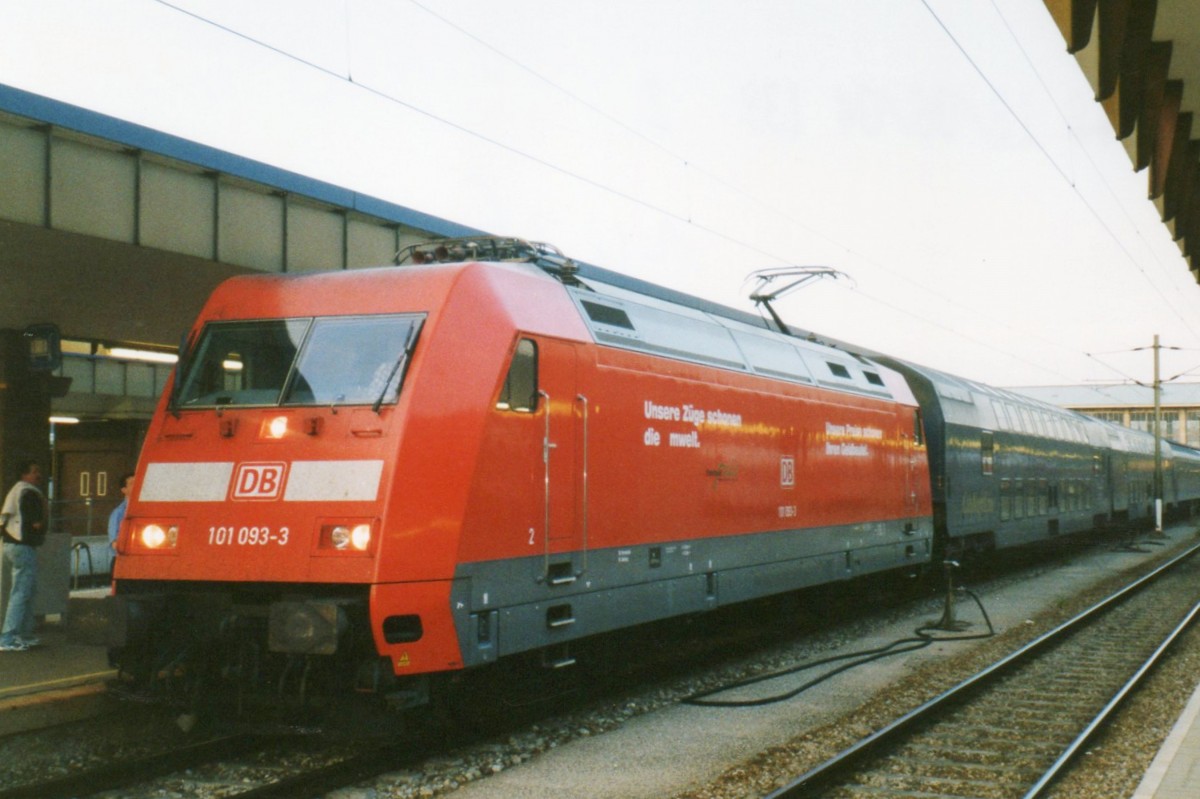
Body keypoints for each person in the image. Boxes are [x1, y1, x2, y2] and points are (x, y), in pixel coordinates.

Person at [0, 461, 47, 652]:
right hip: (23, 546)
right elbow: (35, 523)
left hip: (9, 544)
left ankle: (24, 634)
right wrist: (40, 528)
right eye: (34, 471)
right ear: (24, 475)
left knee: (23, 590)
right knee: (21, 592)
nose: (38, 475)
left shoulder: (15, 490)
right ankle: (8, 637)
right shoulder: (29, 493)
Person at [108, 473, 134, 556]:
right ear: (124, 490)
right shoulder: (118, 513)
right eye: (132, 483)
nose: (137, 485)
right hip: (122, 560)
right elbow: (114, 543)